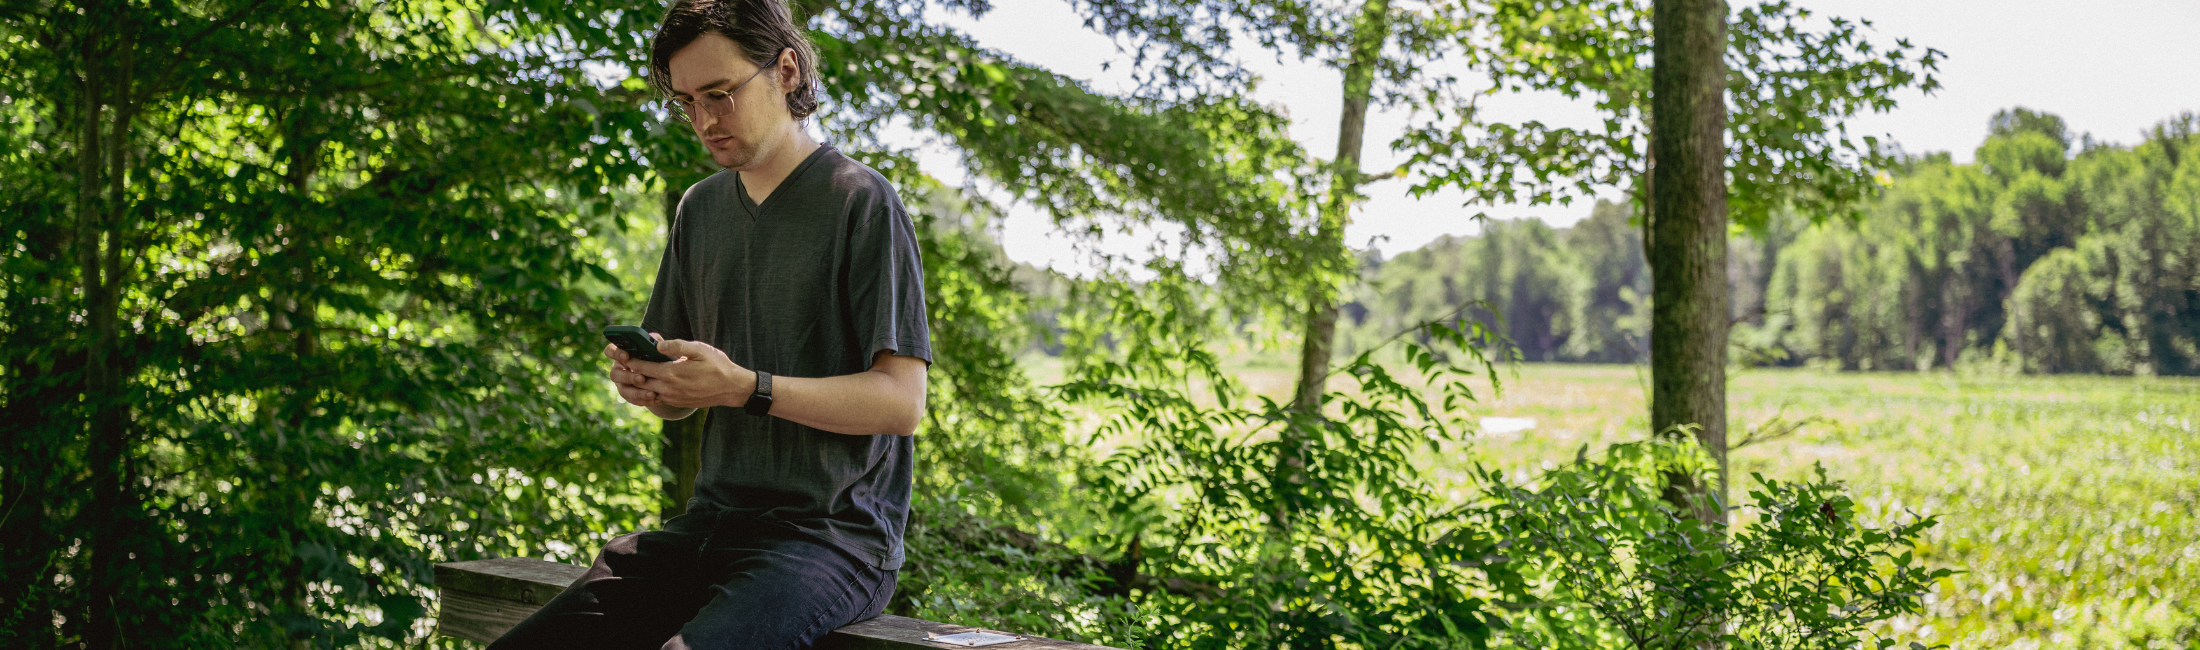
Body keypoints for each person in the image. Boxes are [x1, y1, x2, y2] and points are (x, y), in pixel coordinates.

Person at [487, 0, 930, 648]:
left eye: (720, 94)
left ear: (784, 71)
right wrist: (654, 387)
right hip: (712, 526)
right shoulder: (700, 209)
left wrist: (744, 386)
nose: (704, 120)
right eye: (687, 101)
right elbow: (682, 398)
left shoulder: (860, 201)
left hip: (834, 541)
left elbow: (900, 402)